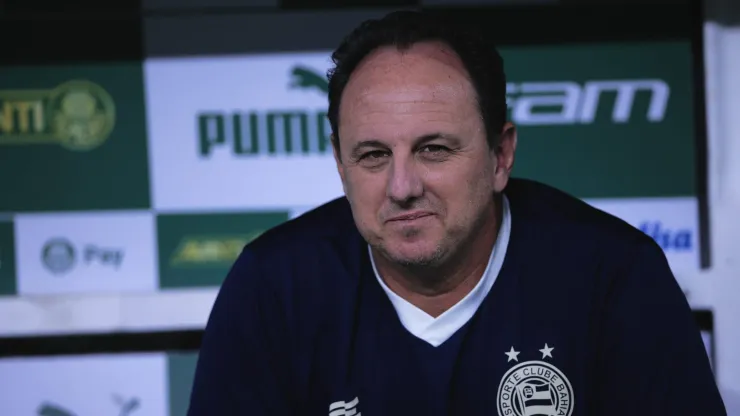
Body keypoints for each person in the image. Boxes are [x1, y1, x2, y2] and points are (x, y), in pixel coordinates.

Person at [187, 10, 726, 416]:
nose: (402, 187)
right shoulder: (272, 285)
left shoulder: (615, 276)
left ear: (500, 155)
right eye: (373, 155)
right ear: (340, 163)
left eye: (434, 150)